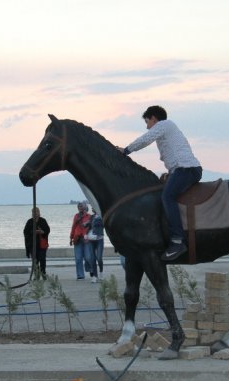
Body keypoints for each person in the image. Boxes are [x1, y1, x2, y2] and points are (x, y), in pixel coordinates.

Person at [119, 105, 202, 261]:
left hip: (186, 169)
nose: (147, 126)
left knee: (167, 197)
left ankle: (177, 241)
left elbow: (146, 139)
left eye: (147, 121)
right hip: (180, 169)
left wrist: (126, 150)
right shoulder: (168, 129)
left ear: (153, 118)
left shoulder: (164, 125)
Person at [23, 207, 50, 279]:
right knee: (35, 261)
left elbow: (47, 230)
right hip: (33, 245)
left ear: (39, 212)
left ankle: (43, 274)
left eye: (36, 212)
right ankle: (37, 275)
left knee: (42, 259)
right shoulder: (29, 221)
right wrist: (33, 232)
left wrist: (42, 232)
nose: (35, 213)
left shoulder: (43, 221)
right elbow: (25, 232)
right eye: (33, 212)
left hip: (42, 244)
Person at [69, 202, 91, 280]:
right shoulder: (76, 216)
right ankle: (80, 275)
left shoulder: (89, 217)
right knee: (78, 258)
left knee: (88, 257)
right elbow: (73, 227)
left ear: (85, 207)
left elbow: (92, 228)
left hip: (86, 240)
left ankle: (88, 268)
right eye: (78, 206)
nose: (80, 207)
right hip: (77, 239)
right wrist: (71, 237)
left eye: (81, 206)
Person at [85, 209, 104, 283]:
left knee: (99, 258)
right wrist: (86, 234)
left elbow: (103, 226)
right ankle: (95, 276)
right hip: (91, 240)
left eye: (94, 207)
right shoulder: (92, 216)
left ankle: (101, 273)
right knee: (92, 258)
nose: (92, 209)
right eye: (92, 207)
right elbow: (89, 226)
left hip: (99, 240)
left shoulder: (101, 216)